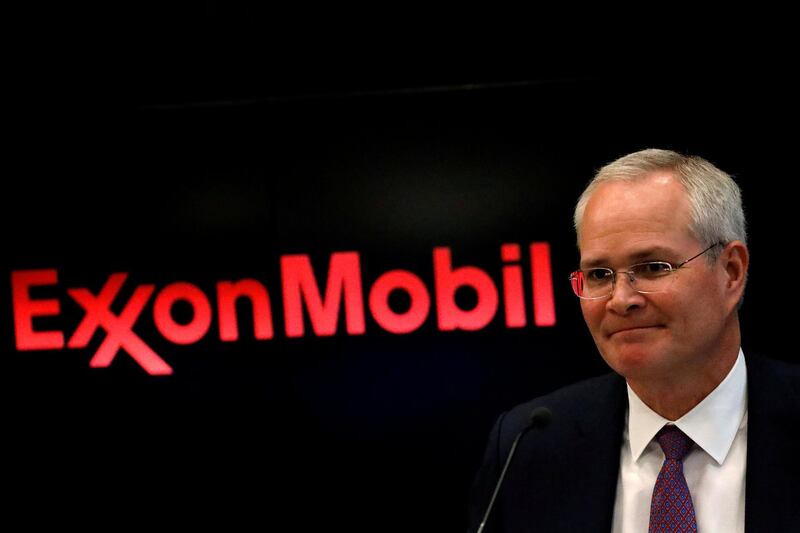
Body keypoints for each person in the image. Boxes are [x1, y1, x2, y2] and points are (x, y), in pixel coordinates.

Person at [468, 149, 800, 532]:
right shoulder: (528, 447)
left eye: (653, 267)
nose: (621, 299)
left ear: (731, 272)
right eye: (598, 274)